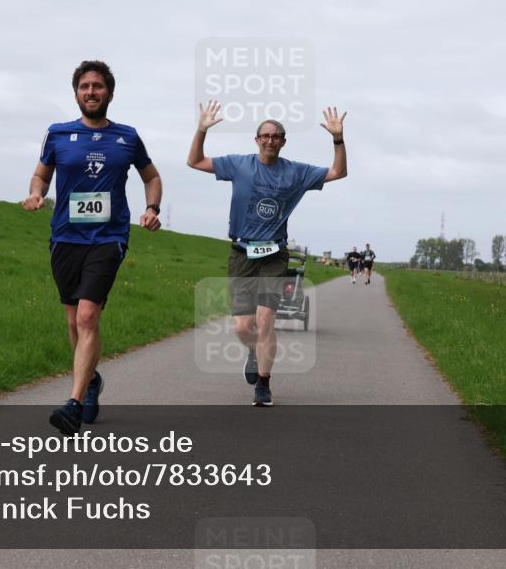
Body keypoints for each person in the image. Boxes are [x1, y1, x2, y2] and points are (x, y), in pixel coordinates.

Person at [22, 60, 163, 435]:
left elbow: (151, 176)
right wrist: (36, 193)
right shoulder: (57, 133)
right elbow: (41, 175)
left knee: (87, 317)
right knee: (73, 320)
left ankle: (73, 403)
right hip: (65, 237)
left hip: (108, 237)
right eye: (84, 86)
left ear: (109, 93)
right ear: (76, 93)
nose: (91, 92)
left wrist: (152, 208)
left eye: (97, 86)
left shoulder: (127, 137)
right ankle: (91, 380)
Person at [187, 100, 347, 406]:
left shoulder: (296, 172)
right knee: (243, 327)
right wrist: (201, 129)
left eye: (276, 137)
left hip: (274, 254)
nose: (270, 140)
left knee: (265, 320)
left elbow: (339, 171)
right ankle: (253, 350)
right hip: (242, 252)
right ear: (257, 140)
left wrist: (337, 139)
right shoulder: (238, 165)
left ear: (283, 142)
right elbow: (194, 161)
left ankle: (263, 384)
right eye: (265, 136)